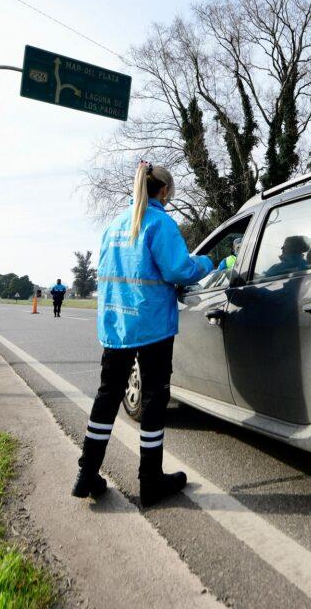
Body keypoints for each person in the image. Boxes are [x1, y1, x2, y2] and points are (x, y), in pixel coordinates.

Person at [72, 160, 214, 506]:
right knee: (153, 401)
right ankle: (150, 480)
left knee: (107, 397)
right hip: (151, 325)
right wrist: (211, 263)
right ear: (163, 191)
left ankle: (86, 474)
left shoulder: (116, 225)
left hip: (116, 325)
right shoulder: (160, 223)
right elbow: (179, 269)